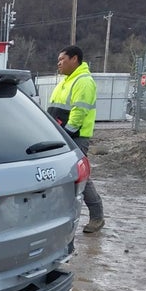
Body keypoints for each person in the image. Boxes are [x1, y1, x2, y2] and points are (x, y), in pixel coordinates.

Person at [48, 45, 106, 233]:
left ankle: (97, 217)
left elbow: (78, 113)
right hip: (61, 135)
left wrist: (65, 134)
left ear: (75, 59)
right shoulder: (66, 81)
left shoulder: (83, 81)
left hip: (75, 137)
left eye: (62, 60)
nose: (59, 64)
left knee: (80, 176)